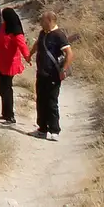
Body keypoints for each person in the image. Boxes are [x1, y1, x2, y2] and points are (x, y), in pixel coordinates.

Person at [32, 10, 73, 141]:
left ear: (49, 21)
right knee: (41, 101)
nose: (40, 23)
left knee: (51, 102)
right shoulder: (43, 33)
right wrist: (29, 54)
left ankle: (54, 130)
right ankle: (42, 129)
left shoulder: (59, 35)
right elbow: (38, 44)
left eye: (42, 21)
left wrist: (64, 70)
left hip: (53, 75)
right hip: (41, 73)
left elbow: (69, 54)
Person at [0, 7, 30, 124]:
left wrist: (27, 57)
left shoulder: (16, 31)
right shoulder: (4, 27)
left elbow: (22, 45)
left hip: (10, 64)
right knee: (1, 88)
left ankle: (10, 116)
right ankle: (5, 113)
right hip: (1, 62)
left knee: (7, 88)